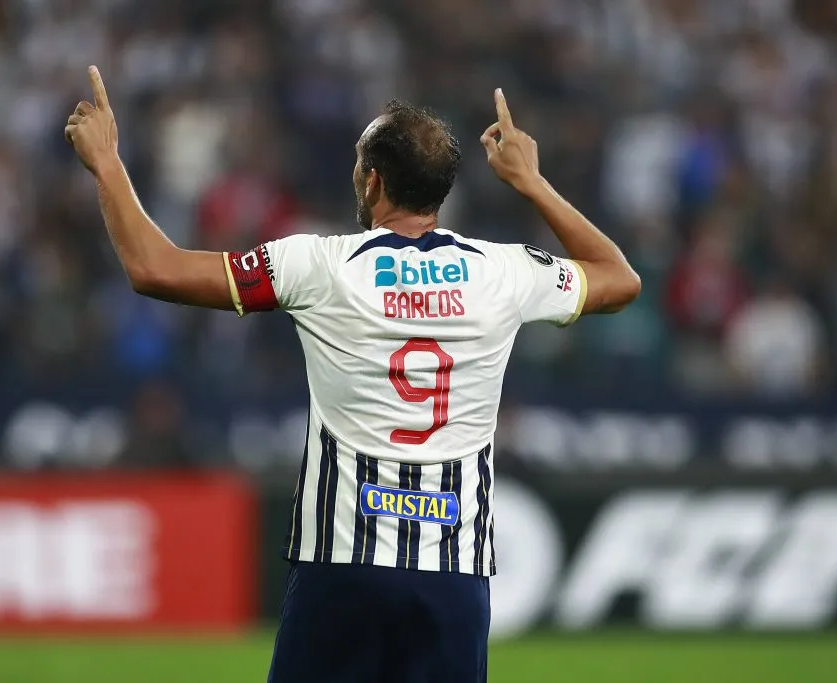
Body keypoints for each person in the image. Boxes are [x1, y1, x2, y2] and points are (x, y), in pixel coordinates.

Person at [65, 65, 640, 683]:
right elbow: (619, 279)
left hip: (341, 566)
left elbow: (157, 269)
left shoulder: (319, 264)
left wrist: (106, 164)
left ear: (373, 180)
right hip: (453, 571)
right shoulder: (504, 273)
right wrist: (532, 183)